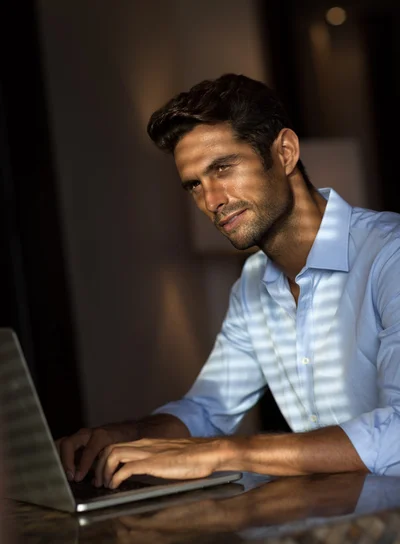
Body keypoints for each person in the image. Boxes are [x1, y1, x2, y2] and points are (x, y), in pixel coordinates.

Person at [57, 73, 400, 489]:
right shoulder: (253, 285)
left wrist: (220, 452)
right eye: (195, 185)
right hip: (339, 528)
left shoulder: (389, 255)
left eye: (223, 168)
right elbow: (207, 409)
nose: (212, 200)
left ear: (285, 152)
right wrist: (122, 436)